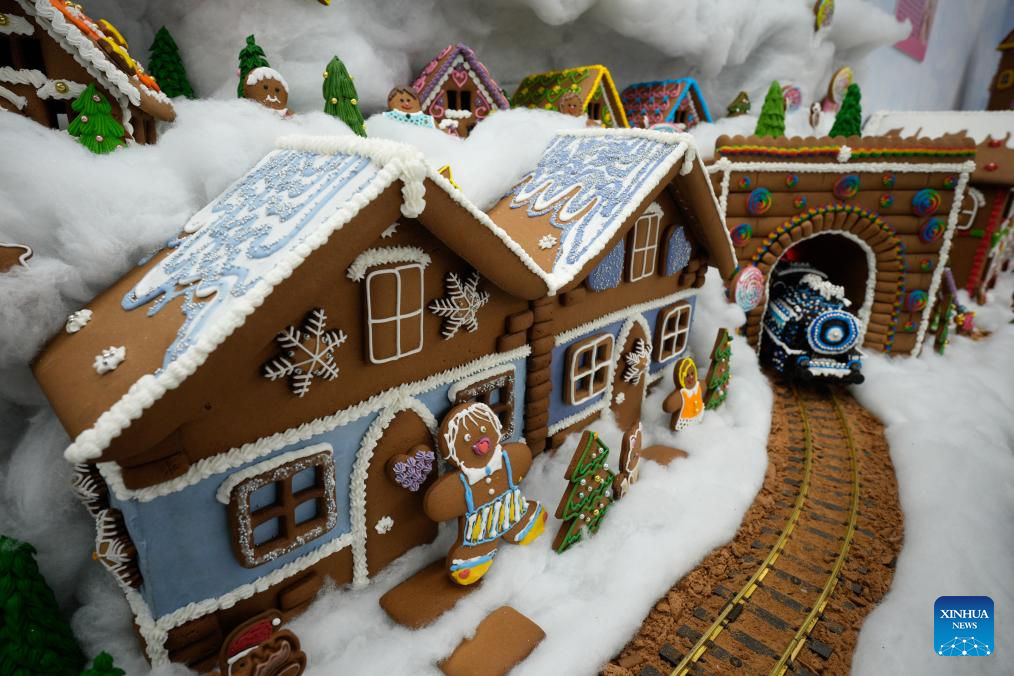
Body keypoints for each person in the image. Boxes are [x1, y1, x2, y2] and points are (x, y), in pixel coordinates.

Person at [663, 357, 704, 431]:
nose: (691, 377)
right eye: (687, 375)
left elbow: (705, 385)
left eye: (692, 373)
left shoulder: (699, 385)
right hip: (685, 422)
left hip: (698, 417)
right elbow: (668, 406)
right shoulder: (681, 395)